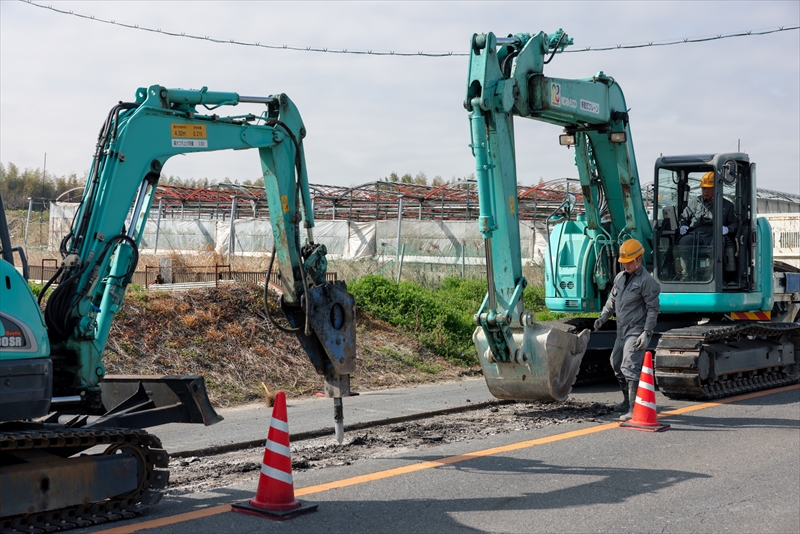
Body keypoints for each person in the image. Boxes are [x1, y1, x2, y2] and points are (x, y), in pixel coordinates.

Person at [593, 239, 661, 422]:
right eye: (623, 261)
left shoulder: (647, 282)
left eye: (629, 261)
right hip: (621, 330)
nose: (625, 264)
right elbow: (612, 301)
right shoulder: (621, 277)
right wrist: (603, 317)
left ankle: (633, 408)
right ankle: (626, 401)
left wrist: (646, 333)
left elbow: (653, 309)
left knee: (630, 365)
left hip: (636, 329)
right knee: (615, 363)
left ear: (639, 260)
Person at [677, 171, 738, 279]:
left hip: (714, 234)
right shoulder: (694, 202)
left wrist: (727, 229)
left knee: (717, 243)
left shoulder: (727, 205)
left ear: (717, 188)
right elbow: (684, 217)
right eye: (703, 188)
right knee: (684, 241)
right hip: (696, 234)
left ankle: (711, 276)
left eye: (708, 188)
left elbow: (734, 223)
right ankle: (687, 274)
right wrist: (683, 225)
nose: (705, 191)